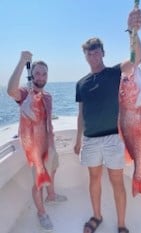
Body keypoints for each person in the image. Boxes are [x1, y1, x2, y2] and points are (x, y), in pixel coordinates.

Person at [74, 8, 141, 233]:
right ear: (85, 56)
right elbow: (81, 114)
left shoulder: (116, 72)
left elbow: (136, 59)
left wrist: (133, 32)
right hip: (90, 140)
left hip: (115, 136)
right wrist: (78, 140)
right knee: (94, 180)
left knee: (117, 181)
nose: (93, 56)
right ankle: (97, 216)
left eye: (96, 52)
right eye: (89, 53)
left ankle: (122, 225)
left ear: (102, 53)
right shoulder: (81, 83)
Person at [7, 51, 67, 232]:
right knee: (38, 181)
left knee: (53, 169)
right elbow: (11, 91)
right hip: (34, 146)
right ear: (32, 75)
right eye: (38, 73)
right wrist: (22, 61)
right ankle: (41, 213)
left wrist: (52, 143)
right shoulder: (26, 95)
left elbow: (46, 122)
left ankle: (51, 196)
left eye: (44, 73)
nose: (41, 77)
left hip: (49, 144)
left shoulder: (47, 96)